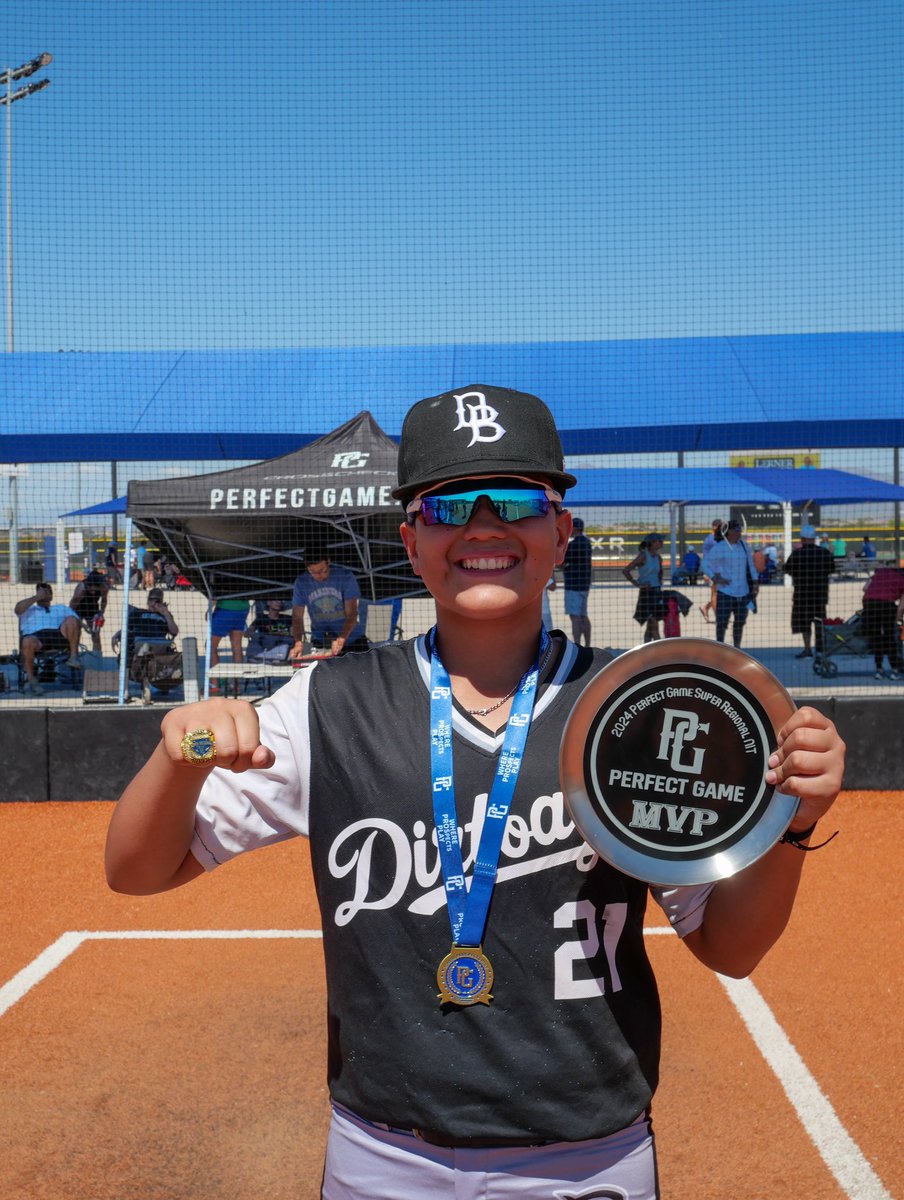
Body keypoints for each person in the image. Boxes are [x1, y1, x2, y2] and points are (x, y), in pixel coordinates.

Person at [106, 384, 845, 1200]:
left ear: (562, 532)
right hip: (384, 1153)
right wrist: (177, 757)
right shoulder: (325, 704)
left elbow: (730, 948)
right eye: (449, 506)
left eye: (519, 502)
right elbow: (138, 869)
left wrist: (789, 823)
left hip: (587, 1154)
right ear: (410, 541)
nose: (484, 527)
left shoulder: (635, 710)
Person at [14, 582, 83, 696]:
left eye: (46, 592)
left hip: (58, 635)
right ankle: (32, 680)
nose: (44, 595)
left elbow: (77, 623)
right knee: (27, 641)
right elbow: (17, 609)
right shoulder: (29, 609)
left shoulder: (60, 608)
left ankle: (73, 657)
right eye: (41, 592)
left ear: (51, 595)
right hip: (37, 638)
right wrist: (36, 597)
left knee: (72, 619)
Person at [290, 557, 368, 657]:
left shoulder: (345, 576)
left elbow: (352, 614)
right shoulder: (301, 582)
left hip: (352, 640)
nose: (318, 576)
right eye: (312, 571)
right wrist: (298, 642)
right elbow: (297, 616)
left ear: (328, 562)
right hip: (320, 641)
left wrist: (341, 639)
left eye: (322, 571)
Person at [701, 518, 759, 648]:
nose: (740, 533)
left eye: (740, 530)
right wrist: (714, 577)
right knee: (722, 623)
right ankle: (720, 647)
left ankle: (737, 647)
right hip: (725, 592)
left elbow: (750, 565)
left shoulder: (744, 545)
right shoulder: (720, 548)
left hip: (743, 592)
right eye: (737, 530)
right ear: (729, 532)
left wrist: (755, 582)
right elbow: (704, 564)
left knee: (739, 622)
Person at [782, 524, 835, 658]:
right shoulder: (824, 553)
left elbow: (787, 570)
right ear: (814, 538)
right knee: (819, 622)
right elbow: (832, 569)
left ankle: (807, 649)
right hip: (820, 595)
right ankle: (820, 650)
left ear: (802, 539)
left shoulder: (797, 554)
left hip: (802, 595)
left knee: (804, 624)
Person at [861, 565, 904, 680]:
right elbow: (900, 608)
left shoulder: (881, 572)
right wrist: (895, 621)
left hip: (869, 604)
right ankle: (894, 670)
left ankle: (879, 670)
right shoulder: (902, 580)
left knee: (876, 637)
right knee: (890, 638)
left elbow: (865, 588)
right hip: (886, 605)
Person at [623, 534, 664, 642]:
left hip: (657, 592)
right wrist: (637, 584)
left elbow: (660, 573)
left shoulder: (658, 558)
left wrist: (659, 582)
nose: (662, 542)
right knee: (654, 625)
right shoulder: (643, 556)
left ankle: (647, 648)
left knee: (650, 626)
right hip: (646, 593)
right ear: (652, 543)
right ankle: (659, 651)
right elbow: (626, 570)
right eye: (659, 540)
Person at [208, 597, 250, 692]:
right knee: (237, 646)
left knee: (211, 646)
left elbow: (216, 592)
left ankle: (214, 685)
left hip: (225, 607)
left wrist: (210, 608)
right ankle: (235, 685)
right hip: (243, 607)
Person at [561, 515, 592, 645]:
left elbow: (560, 562)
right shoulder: (587, 543)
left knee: (575, 617)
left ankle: (577, 644)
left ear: (575, 529)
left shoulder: (572, 545)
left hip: (573, 585)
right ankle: (588, 644)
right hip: (585, 584)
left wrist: (565, 566)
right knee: (583, 615)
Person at [68, 567, 110, 654]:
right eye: (92, 589)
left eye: (96, 589)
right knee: (76, 634)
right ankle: (74, 656)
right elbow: (71, 607)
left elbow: (104, 601)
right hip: (77, 610)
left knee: (96, 634)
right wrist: (80, 623)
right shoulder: (81, 589)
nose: (94, 591)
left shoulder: (103, 587)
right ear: (89, 585)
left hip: (93, 609)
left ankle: (98, 656)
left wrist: (101, 613)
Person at [698, 519, 723, 622]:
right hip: (713, 571)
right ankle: (719, 618)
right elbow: (705, 557)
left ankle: (706, 608)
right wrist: (706, 573)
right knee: (715, 594)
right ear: (714, 527)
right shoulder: (709, 539)